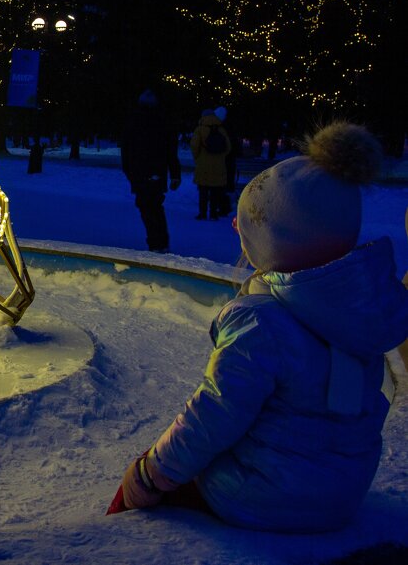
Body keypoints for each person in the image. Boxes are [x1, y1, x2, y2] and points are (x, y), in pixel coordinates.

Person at [110, 122, 408, 532]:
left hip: (265, 499)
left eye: (249, 224)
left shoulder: (260, 321)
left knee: (147, 487)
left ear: (282, 239)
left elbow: (213, 416)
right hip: (343, 495)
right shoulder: (361, 308)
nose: (237, 230)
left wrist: (148, 475)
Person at [120, 89, 181, 253]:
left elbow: (126, 150)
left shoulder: (134, 121)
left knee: (147, 207)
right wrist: (175, 174)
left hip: (140, 172)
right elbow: (170, 150)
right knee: (154, 206)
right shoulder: (162, 121)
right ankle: (159, 242)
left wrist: (129, 172)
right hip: (156, 171)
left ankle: (156, 242)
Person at [189, 109, 229, 220]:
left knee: (203, 191)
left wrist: (198, 157)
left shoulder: (200, 130)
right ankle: (213, 213)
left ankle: (202, 213)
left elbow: (194, 146)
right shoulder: (221, 129)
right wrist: (220, 157)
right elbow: (228, 148)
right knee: (215, 191)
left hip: (203, 165)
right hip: (218, 166)